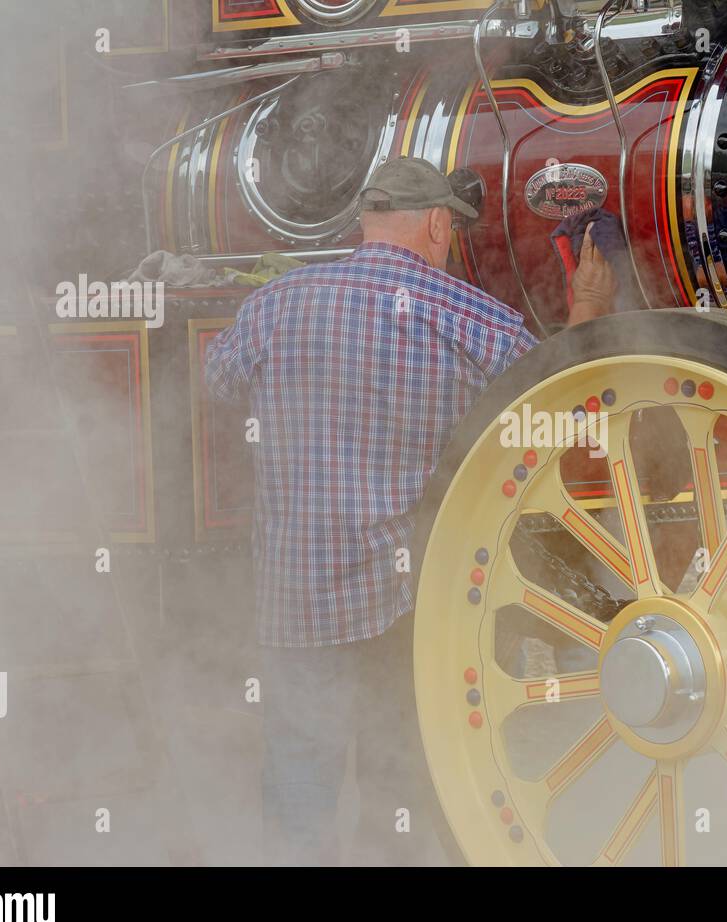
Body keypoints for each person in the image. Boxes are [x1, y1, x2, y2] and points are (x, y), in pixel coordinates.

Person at [203, 157, 616, 865]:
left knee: (298, 793)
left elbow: (220, 382)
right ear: (434, 223)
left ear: (368, 222)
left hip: (295, 597)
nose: (451, 243)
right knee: (404, 790)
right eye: (452, 230)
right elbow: (550, 425)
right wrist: (586, 314)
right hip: (410, 608)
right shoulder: (476, 321)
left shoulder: (276, 304)